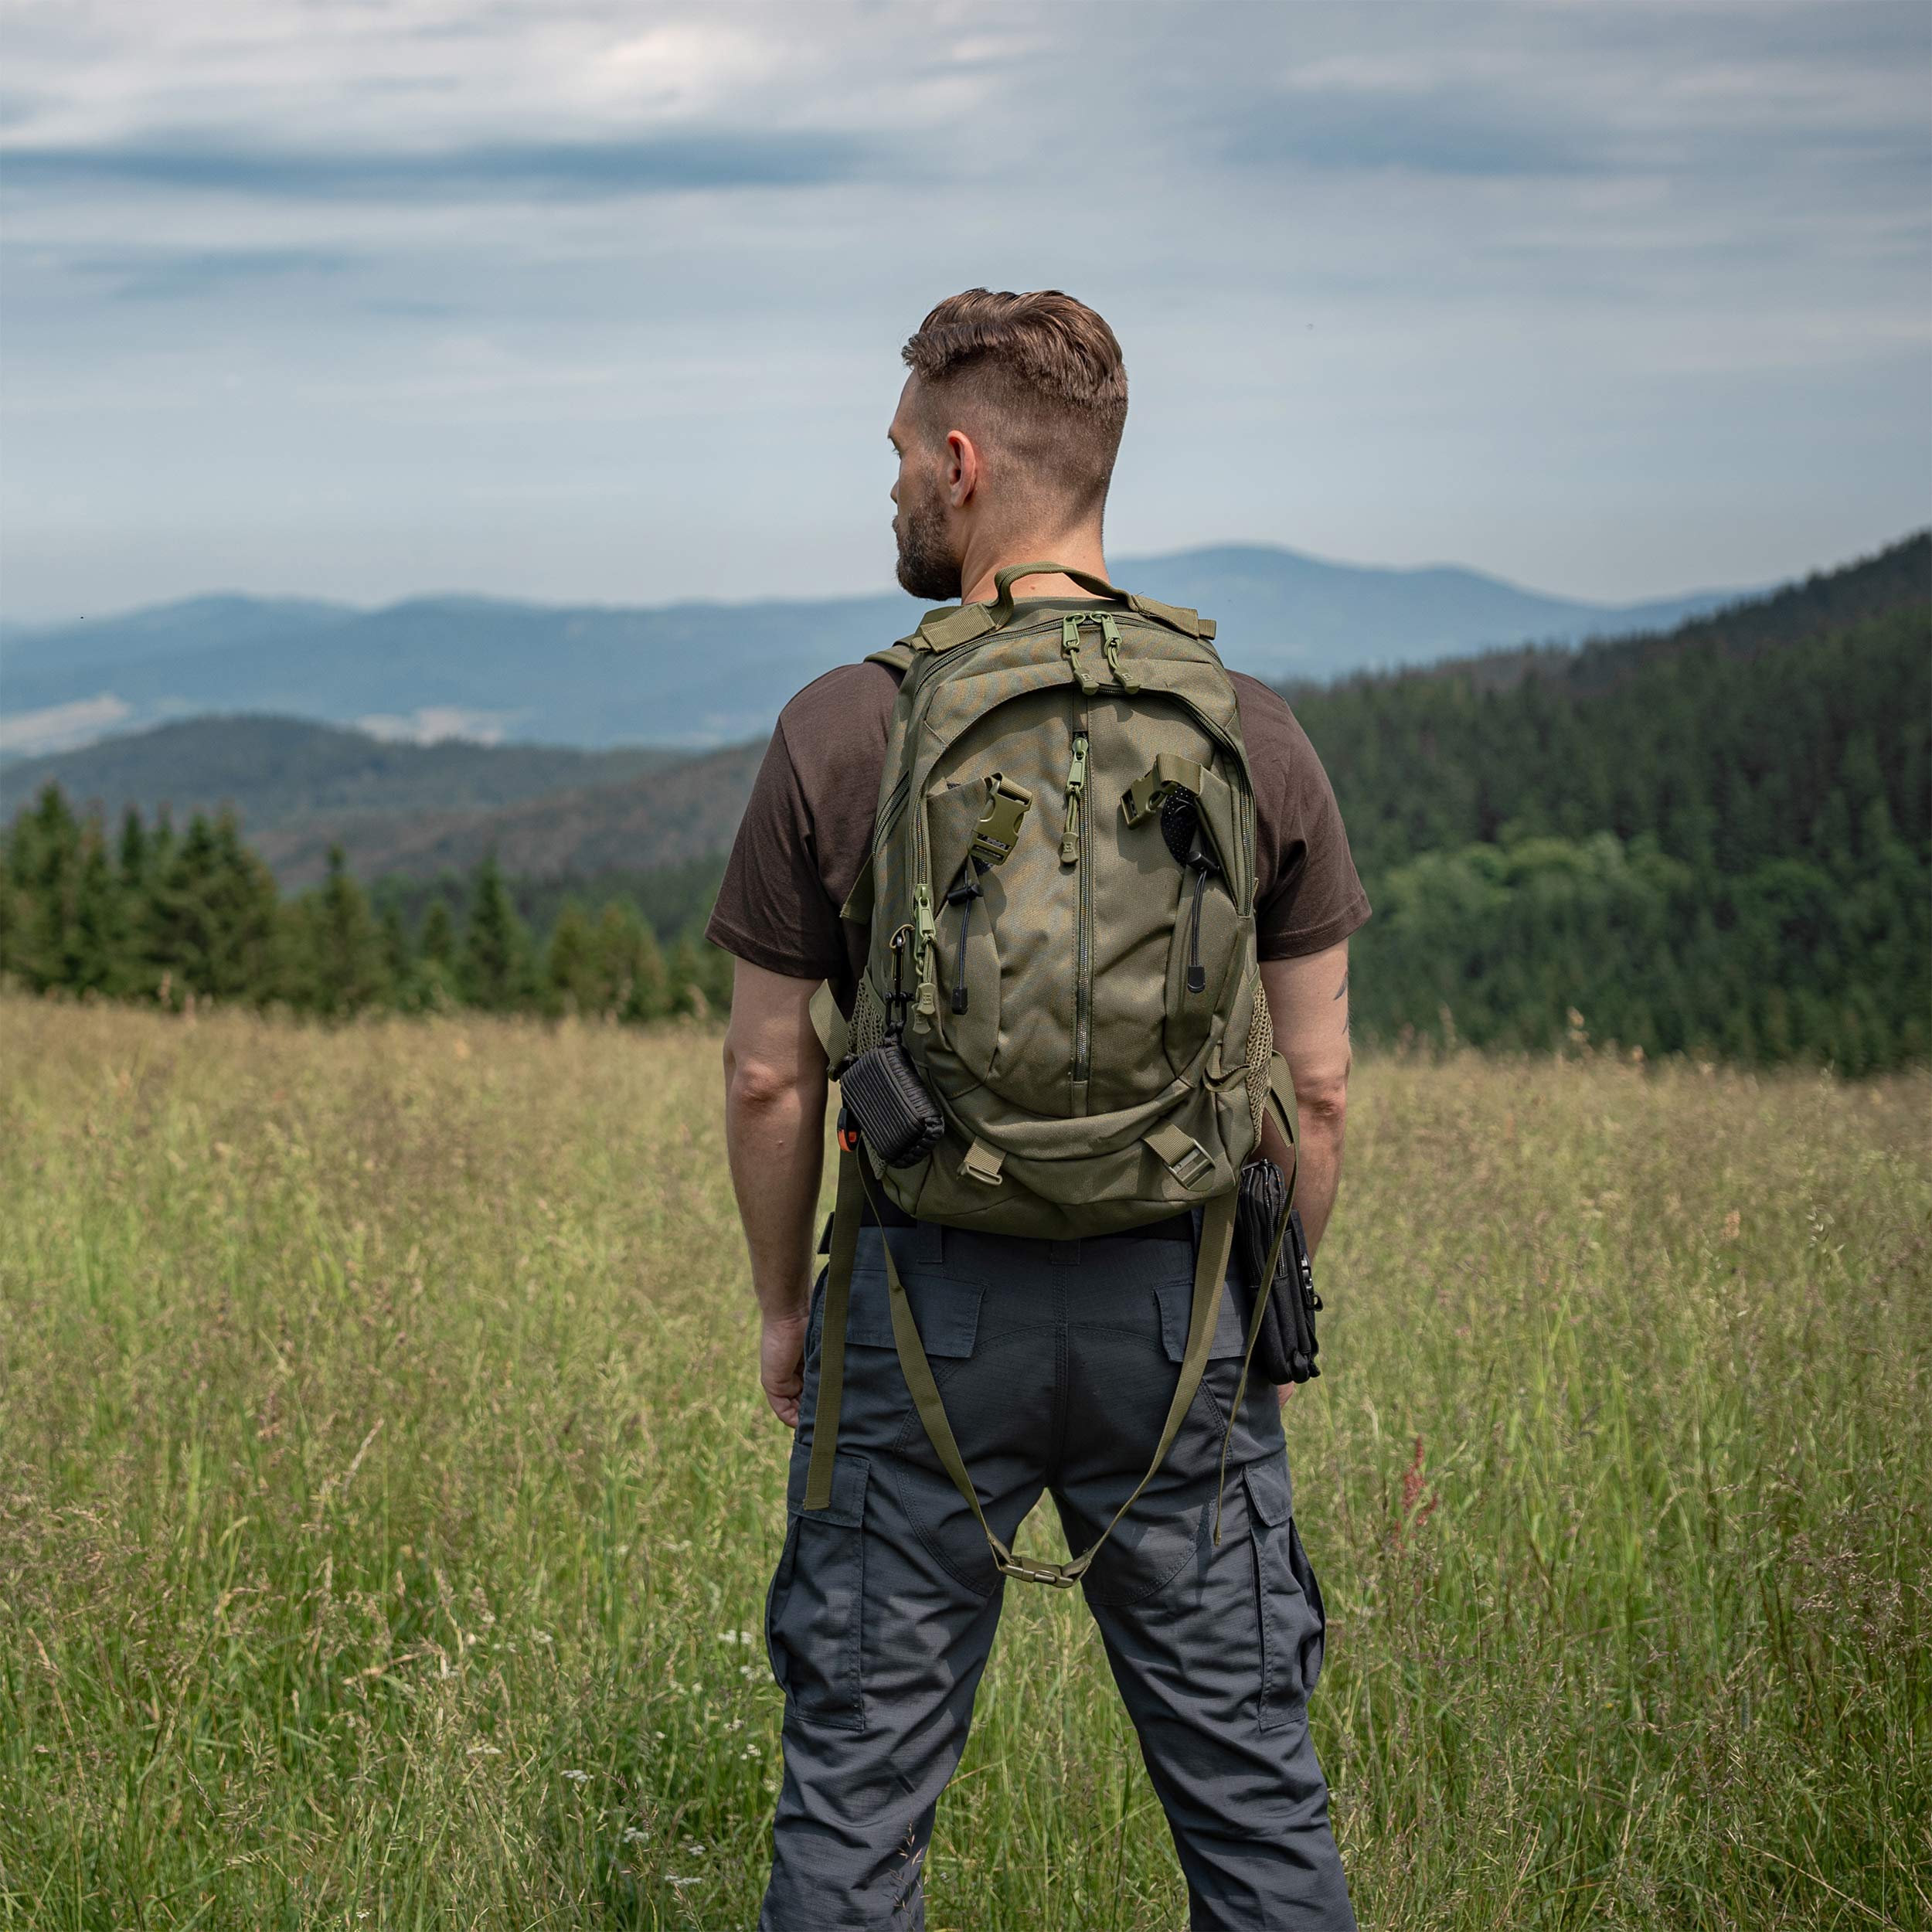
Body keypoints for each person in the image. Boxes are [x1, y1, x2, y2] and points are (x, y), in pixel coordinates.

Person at [708, 288, 1366, 1930]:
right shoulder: (1248, 729)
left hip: (919, 1307)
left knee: (855, 1797)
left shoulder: (841, 725)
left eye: (894, 459)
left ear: (958, 459)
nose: (886, 493)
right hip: (1177, 1311)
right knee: (1253, 1797)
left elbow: (768, 1068)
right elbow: (1324, 1090)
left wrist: (788, 1305)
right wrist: (1239, 1313)